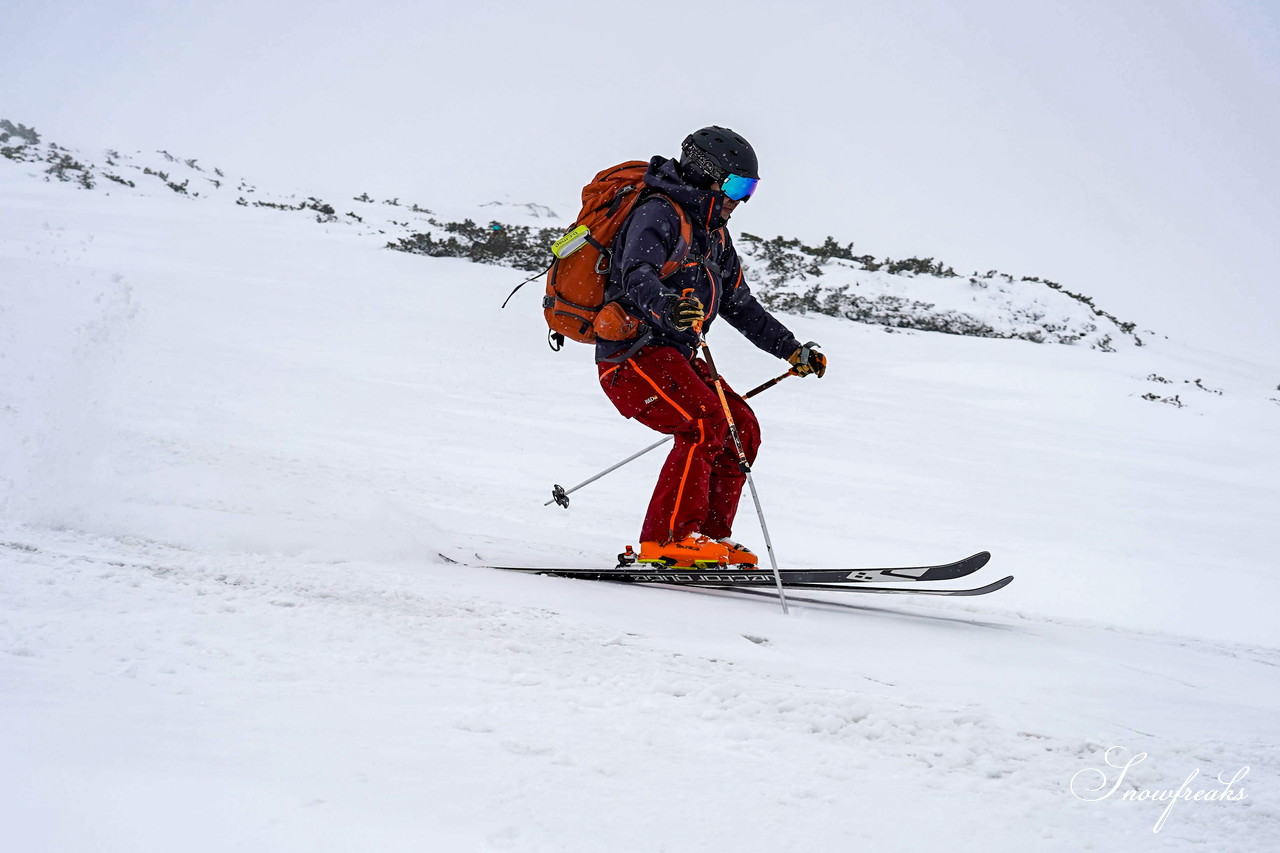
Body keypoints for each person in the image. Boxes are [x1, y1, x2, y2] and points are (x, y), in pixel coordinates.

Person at [596, 126, 827, 568]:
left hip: (675, 356)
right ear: (706, 175)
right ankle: (667, 540)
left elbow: (741, 304)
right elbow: (636, 273)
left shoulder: (714, 236)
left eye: (750, 189)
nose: (741, 199)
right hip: (631, 356)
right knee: (704, 422)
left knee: (741, 426)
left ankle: (706, 537)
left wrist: (791, 349)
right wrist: (666, 305)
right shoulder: (659, 213)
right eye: (738, 185)